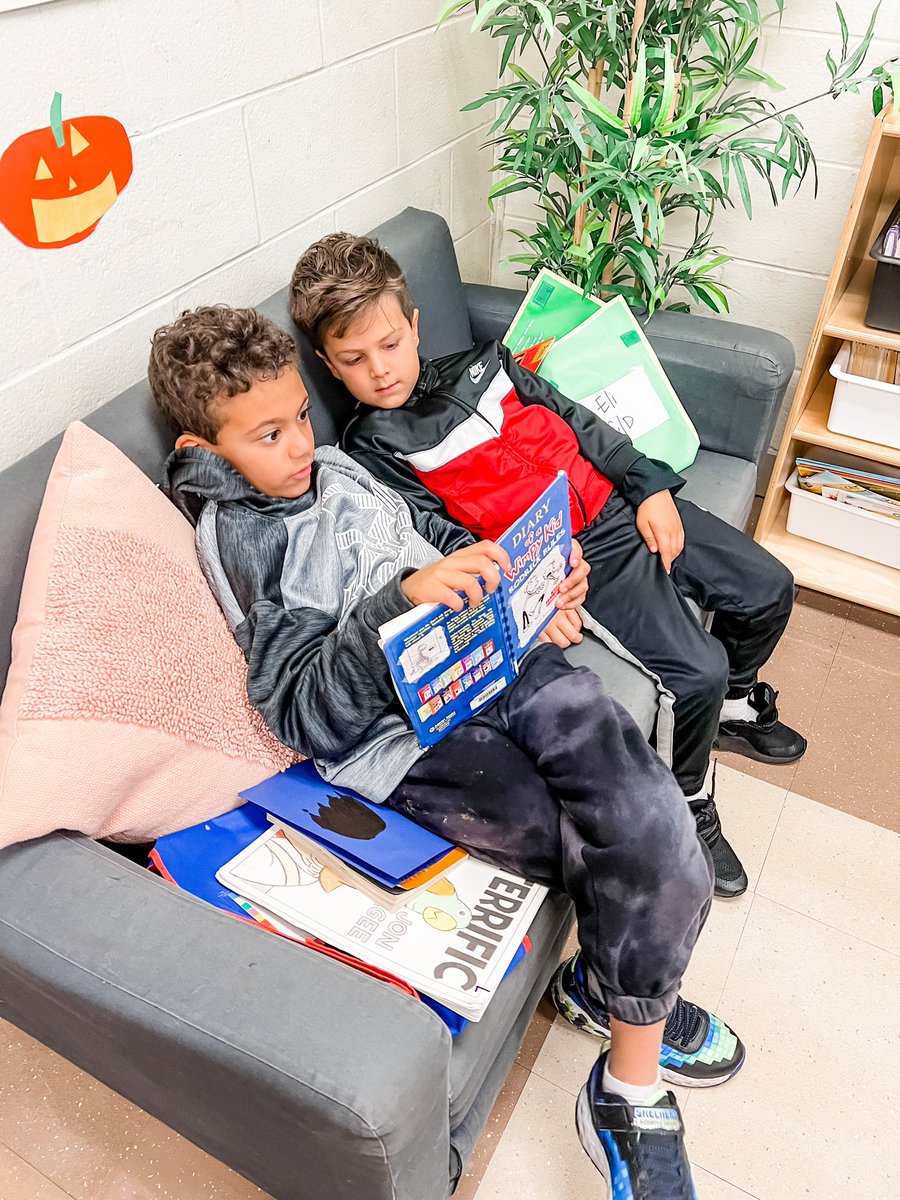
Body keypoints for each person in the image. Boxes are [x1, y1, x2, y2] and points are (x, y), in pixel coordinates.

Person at [150, 305, 746, 1199]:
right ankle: (632, 1075)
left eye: (300, 419)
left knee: (645, 808)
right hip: (414, 738)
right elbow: (304, 709)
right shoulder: (243, 538)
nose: (301, 445)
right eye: (268, 435)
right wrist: (402, 600)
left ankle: (616, 998)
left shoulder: (345, 469)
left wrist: (528, 582)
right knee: (584, 837)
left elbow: (439, 547)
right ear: (207, 445)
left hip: (502, 661)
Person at [288, 233, 808, 900]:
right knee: (696, 670)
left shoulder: (489, 363)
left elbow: (577, 419)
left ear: (414, 326)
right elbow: (438, 538)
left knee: (768, 589)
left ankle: (737, 704)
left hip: (623, 504)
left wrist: (647, 485)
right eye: (354, 360)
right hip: (578, 559)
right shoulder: (374, 447)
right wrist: (529, 592)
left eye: (390, 344)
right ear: (331, 367)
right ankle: (689, 798)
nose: (381, 370)